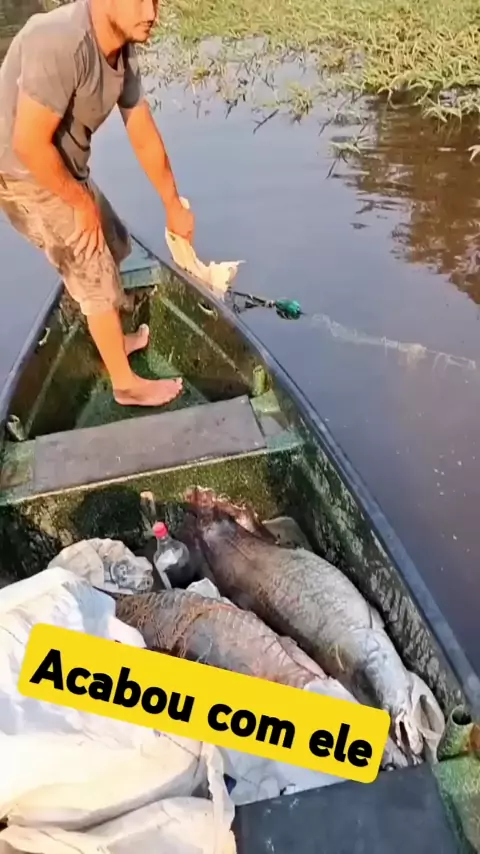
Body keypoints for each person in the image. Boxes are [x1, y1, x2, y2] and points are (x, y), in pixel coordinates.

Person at [0, 0, 194, 407]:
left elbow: (141, 131)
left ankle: (114, 340)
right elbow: (28, 144)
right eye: (140, 1)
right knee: (91, 261)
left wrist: (173, 204)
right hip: (21, 171)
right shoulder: (59, 40)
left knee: (115, 242)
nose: (152, 13)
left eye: (156, 1)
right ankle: (125, 385)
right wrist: (80, 203)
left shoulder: (122, 48)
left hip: (61, 165)